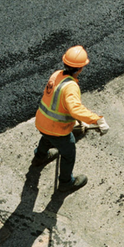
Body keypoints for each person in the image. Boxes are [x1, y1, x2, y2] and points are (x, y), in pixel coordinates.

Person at [31, 45, 109, 192]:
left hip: (42, 122)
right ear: (80, 68)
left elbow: (59, 102)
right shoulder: (71, 87)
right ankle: (66, 183)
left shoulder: (56, 75)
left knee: (47, 138)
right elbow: (75, 109)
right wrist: (97, 119)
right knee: (68, 153)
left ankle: (40, 157)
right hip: (57, 130)